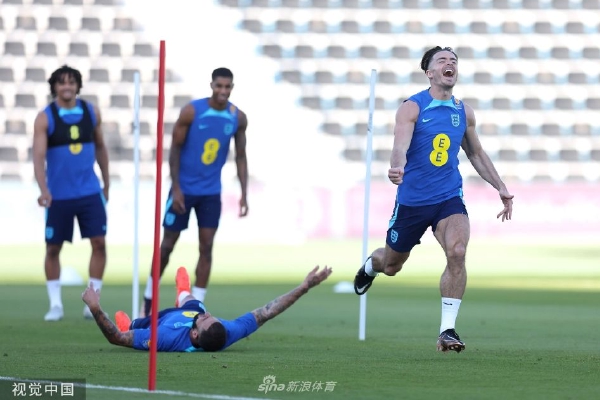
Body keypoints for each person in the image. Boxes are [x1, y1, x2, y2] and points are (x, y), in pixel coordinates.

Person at [353, 46, 514, 353]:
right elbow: (400, 145)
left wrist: (500, 186)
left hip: (448, 198)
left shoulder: (463, 112)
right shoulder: (412, 107)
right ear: (429, 72)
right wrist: (397, 166)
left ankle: (447, 331)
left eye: (453, 60)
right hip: (412, 202)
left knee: (458, 251)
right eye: (442, 60)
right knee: (391, 266)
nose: (449, 63)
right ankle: (370, 266)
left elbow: (476, 153)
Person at [141, 67, 249, 316]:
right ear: (211, 85)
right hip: (184, 190)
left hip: (210, 192)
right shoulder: (192, 111)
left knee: (206, 247)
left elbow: (241, 156)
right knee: (167, 245)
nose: (223, 91)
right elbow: (175, 149)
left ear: (232, 88)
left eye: (227, 87)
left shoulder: (238, 118)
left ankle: (197, 308)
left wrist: (244, 193)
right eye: (219, 86)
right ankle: (148, 301)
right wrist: (176, 188)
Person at [82, 265, 332, 352]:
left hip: (160, 321)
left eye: (205, 320)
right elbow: (267, 312)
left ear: (194, 334)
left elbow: (116, 338)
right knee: (196, 306)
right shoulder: (227, 332)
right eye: (214, 318)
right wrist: (304, 287)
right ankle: (183, 292)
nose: (210, 315)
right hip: (187, 312)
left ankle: (131, 322)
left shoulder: (166, 338)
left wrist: (95, 307)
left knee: (134, 327)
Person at [33, 65, 110, 322]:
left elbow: (101, 147)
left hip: (89, 192)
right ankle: (55, 304)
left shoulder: (91, 112)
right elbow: (38, 157)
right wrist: (43, 190)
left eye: (71, 82)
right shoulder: (45, 117)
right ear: (54, 87)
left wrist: (106, 183)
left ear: (78, 85)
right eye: (62, 82)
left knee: (99, 244)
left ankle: (92, 302)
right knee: (53, 248)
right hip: (59, 196)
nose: (67, 86)